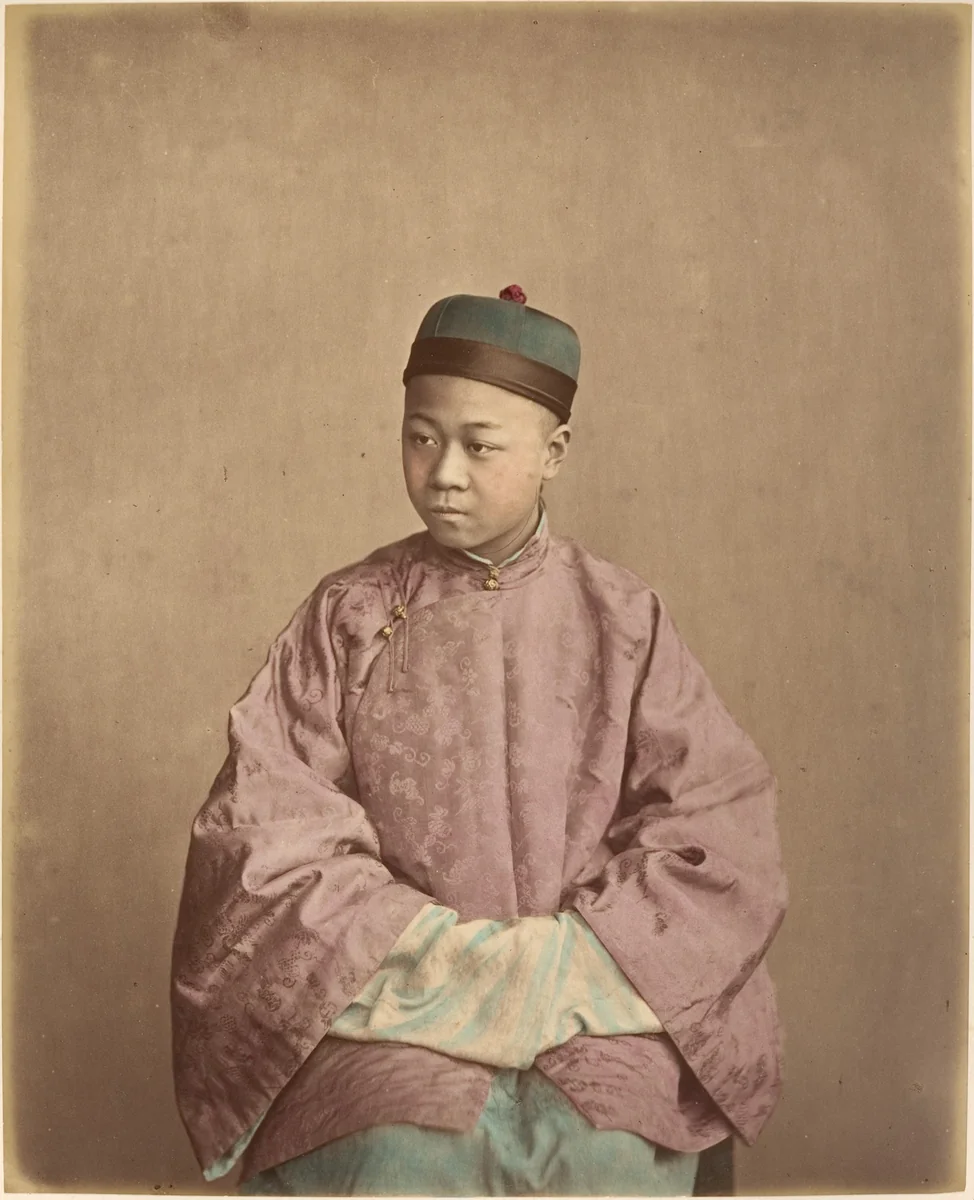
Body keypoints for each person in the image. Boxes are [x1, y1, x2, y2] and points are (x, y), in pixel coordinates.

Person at [170, 285, 787, 1196]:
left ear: (554, 452)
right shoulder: (348, 614)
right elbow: (266, 827)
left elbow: (713, 826)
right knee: (399, 1157)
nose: (444, 471)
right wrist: (445, 961)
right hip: (399, 1011)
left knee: (607, 1154)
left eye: (479, 444)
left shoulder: (622, 618)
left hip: (589, 1005)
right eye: (422, 437)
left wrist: (558, 965)